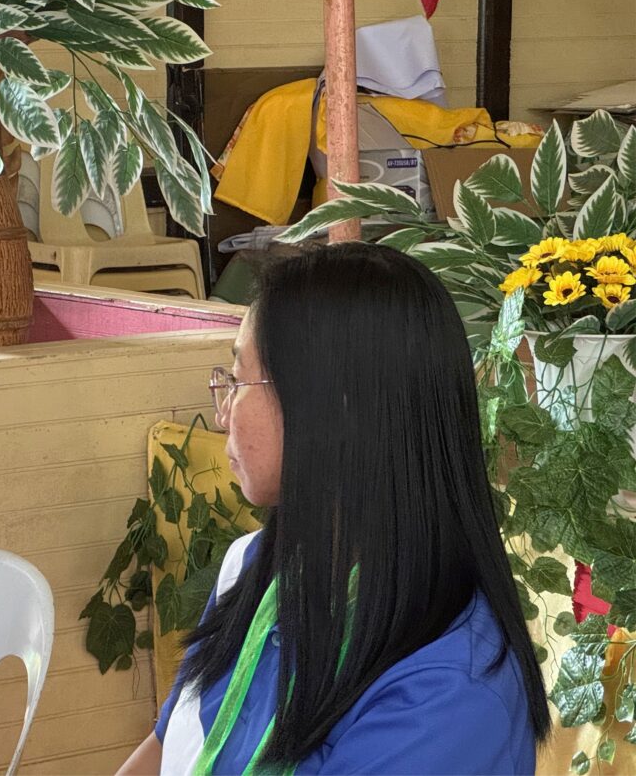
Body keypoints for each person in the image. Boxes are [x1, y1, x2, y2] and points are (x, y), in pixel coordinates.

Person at [118, 244, 550, 775]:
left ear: (336, 410)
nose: (224, 412)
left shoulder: (448, 695)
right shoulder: (261, 566)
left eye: (240, 381)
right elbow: (167, 744)